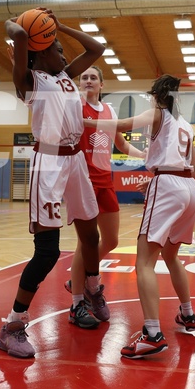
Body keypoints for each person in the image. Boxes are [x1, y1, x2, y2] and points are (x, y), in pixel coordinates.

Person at [0, 9, 106, 359]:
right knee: (47, 252)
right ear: (43, 52)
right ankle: (13, 325)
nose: (64, 53)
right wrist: (21, 33)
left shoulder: (66, 76)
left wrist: (61, 27)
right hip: (48, 163)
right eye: (58, 47)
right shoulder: (31, 82)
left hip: (75, 160)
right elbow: (15, 34)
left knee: (92, 236)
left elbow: (96, 48)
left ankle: (91, 290)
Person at [86, 74, 195, 359]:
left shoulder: (158, 112)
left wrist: (84, 122)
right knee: (171, 256)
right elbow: (194, 169)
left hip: (169, 186)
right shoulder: (186, 124)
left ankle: (152, 334)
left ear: (156, 95)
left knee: (145, 262)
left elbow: (123, 125)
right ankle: (187, 314)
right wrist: (157, 178)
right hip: (190, 189)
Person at [65, 66, 145, 327]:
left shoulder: (109, 111)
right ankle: (79, 299)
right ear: (79, 84)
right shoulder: (74, 105)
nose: (88, 81)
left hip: (105, 179)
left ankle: (83, 280)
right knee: (85, 243)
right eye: (84, 77)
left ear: (102, 84)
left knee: (111, 240)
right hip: (82, 178)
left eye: (93, 78)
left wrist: (146, 156)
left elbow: (120, 144)